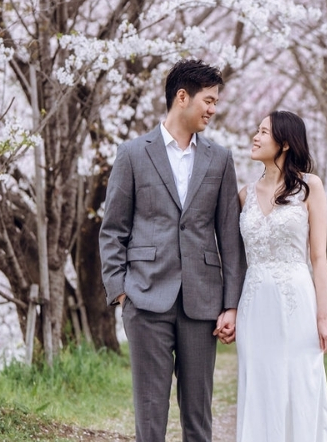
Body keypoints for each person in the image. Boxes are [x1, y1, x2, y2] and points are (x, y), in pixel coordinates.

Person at [99, 60, 247, 442]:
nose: (213, 109)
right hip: (145, 298)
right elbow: (113, 229)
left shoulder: (220, 159)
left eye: (216, 101)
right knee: (150, 414)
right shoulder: (132, 153)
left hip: (202, 303)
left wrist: (231, 304)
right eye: (209, 100)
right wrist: (120, 291)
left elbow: (229, 237)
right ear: (182, 97)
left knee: (198, 415)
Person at [236, 110, 327, 442]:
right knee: (259, 385)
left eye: (263, 132)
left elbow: (319, 258)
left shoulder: (311, 187)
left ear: (283, 143)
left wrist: (324, 317)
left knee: (301, 383)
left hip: (296, 302)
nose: (255, 136)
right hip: (254, 303)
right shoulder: (244, 194)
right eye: (257, 129)